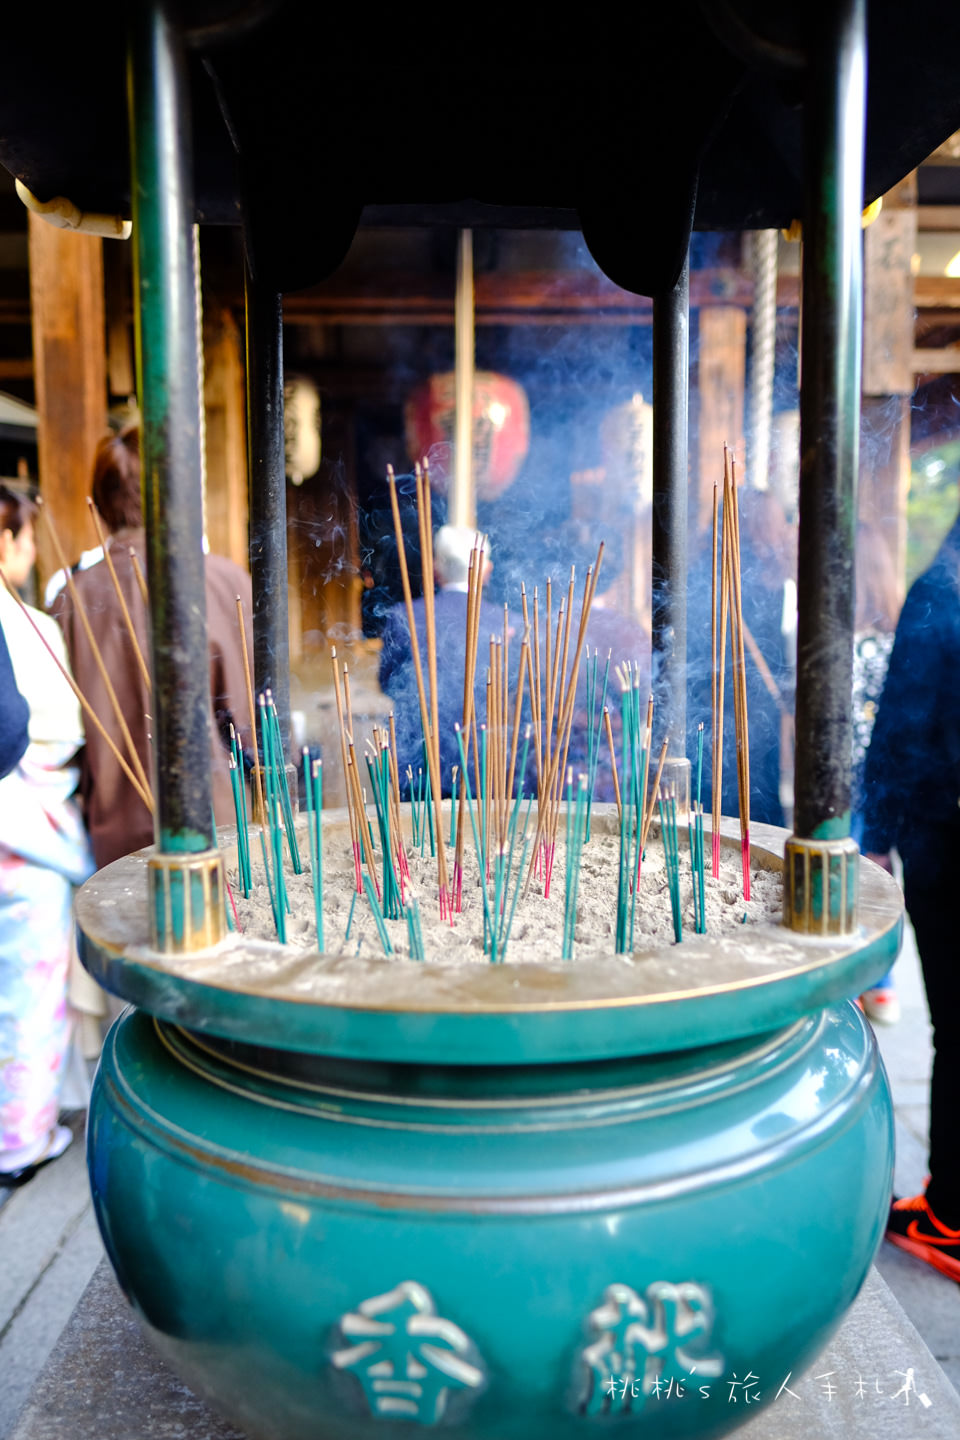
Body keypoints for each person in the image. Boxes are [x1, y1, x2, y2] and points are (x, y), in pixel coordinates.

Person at [54, 427, 255, 869]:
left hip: (114, 834)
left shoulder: (71, 598)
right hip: (213, 826)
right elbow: (249, 725)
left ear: (102, 504)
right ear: (175, 491)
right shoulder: (223, 582)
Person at [861, 505, 960, 1282]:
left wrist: (877, 832)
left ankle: (949, 1214)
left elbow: (901, 722)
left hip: (947, 836)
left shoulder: (940, 593)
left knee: (956, 1027)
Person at [0, 485, 94, 1185]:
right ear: (6, 542)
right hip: (23, 836)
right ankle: (19, 1143)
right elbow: (55, 730)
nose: (32, 553)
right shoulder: (26, 624)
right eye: (26, 538)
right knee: (27, 997)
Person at [687, 488, 797, 829]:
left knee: (725, 804)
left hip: (730, 713)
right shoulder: (729, 581)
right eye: (777, 522)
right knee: (745, 803)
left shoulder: (705, 576)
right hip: (729, 709)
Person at [379, 525, 508, 796]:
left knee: (416, 837)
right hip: (486, 760)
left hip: (418, 758)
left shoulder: (404, 617)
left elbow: (388, 682)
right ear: (486, 571)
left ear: (436, 570)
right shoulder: (509, 624)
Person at [852, 525, 901, 1025]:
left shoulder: (843, 645)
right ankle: (883, 984)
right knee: (879, 871)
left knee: (850, 874)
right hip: (883, 779)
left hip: (844, 782)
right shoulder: (897, 641)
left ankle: (852, 975)